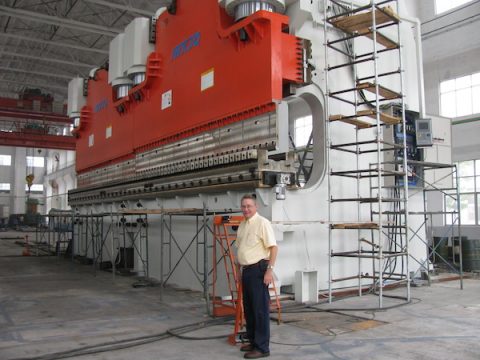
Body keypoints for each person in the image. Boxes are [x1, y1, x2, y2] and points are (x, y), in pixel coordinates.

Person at [236, 194, 278, 359]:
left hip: (258, 271)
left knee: (260, 310)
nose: (246, 209)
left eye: (249, 206)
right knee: (249, 309)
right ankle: (253, 341)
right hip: (247, 271)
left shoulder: (263, 223)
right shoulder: (242, 225)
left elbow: (273, 248)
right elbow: (240, 249)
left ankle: (262, 348)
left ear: (256, 207)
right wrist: (240, 270)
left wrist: (269, 270)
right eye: (243, 206)